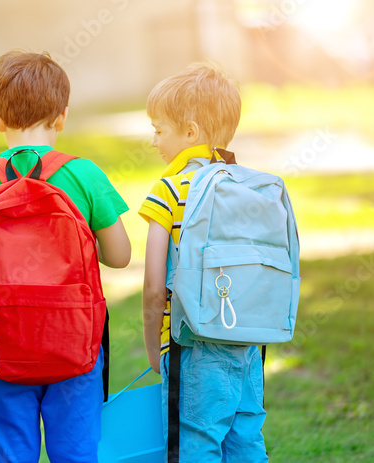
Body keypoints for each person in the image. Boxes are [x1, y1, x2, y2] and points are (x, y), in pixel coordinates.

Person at [0, 51, 132, 463]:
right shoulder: (84, 175)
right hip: (73, 341)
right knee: (76, 454)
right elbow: (119, 256)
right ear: (62, 116)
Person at [138, 63, 268, 462]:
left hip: (189, 345)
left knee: (195, 447)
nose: (154, 140)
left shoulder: (170, 189)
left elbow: (153, 288)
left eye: (160, 130)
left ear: (190, 132)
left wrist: (152, 348)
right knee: (246, 443)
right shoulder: (247, 186)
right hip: (247, 342)